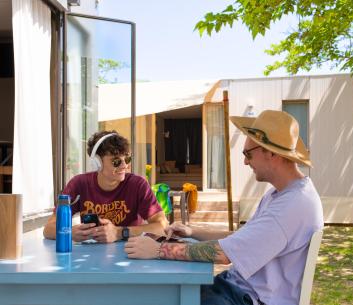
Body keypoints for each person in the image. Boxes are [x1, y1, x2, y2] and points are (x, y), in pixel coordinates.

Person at [124, 110, 324, 305]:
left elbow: (223, 254)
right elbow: (241, 239)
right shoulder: (281, 195)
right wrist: (193, 231)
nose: (245, 161)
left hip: (246, 297)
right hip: (236, 289)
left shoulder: (291, 206)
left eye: (248, 154)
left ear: (271, 153)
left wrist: (158, 250)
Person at [43, 130, 168, 243]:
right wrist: (70, 232)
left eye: (127, 159)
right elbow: (48, 229)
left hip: (129, 254)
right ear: (97, 163)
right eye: (116, 161)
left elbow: (162, 226)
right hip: (90, 257)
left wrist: (119, 233)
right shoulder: (78, 184)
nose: (125, 166)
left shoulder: (138, 185)